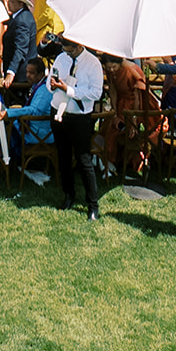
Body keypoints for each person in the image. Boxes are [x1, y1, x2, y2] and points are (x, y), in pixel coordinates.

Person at [49, 35, 104, 221]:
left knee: (84, 160)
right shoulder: (61, 58)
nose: (67, 54)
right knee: (63, 157)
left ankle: (92, 205)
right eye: (65, 50)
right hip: (58, 111)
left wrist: (69, 90)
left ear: (79, 46)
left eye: (70, 50)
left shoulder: (93, 64)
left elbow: (96, 93)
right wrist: (53, 85)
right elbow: (51, 80)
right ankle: (68, 194)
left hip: (80, 117)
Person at [0, 0, 38, 94]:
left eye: (12, 1)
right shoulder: (21, 16)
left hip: (21, 74)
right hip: (20, 71)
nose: (8, 3)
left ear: (20, 4)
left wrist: (11, 72)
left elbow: (20, 49)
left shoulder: (22, 21)